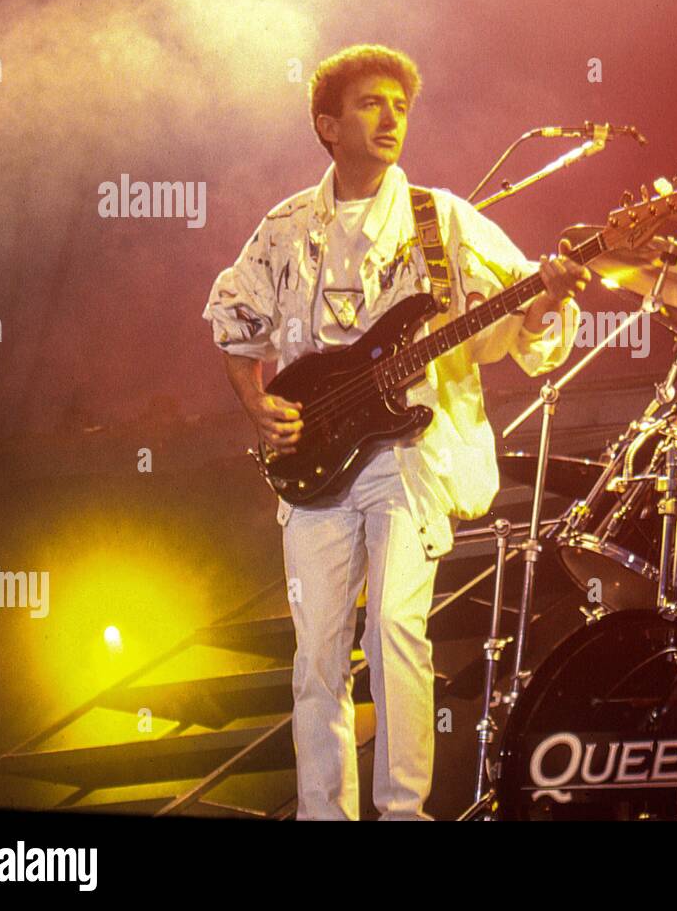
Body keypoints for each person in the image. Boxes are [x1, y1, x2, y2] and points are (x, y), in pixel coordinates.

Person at [202, 44, 589, 820]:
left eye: (400, 106)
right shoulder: (284, 227)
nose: (390, 117)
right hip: (314, 456)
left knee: (394, 628)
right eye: (371, 103)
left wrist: (545, 300)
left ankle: (404, 811)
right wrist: (257, 405)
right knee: (316, 655)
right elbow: (233, 328)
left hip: (408, 455)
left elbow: (515, 325)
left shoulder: (440, 218)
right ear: (327, 125)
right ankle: (323, 813)